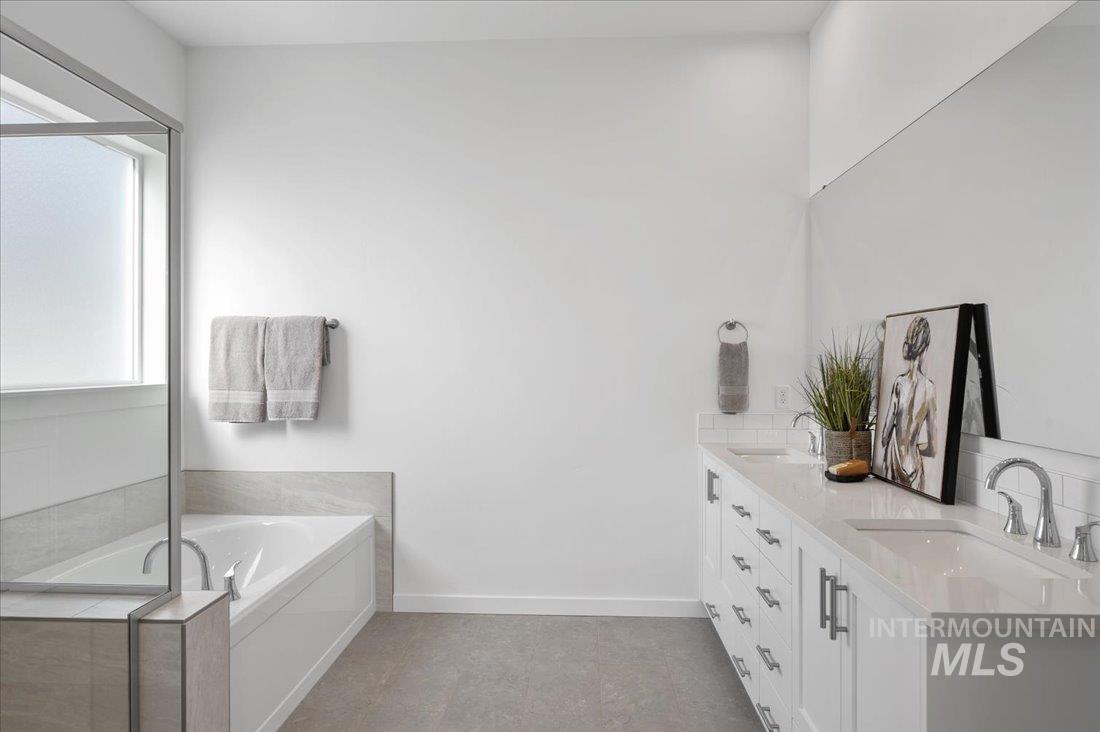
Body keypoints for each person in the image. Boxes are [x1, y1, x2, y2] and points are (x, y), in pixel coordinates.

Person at [880, 316, 938, 492]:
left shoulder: (899, 383)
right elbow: (933, 449)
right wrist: (913, 444)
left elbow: (883, 437)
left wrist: (900, 441)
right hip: (915, 467)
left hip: (894, 463)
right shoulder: (930, 389)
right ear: (925, 348)